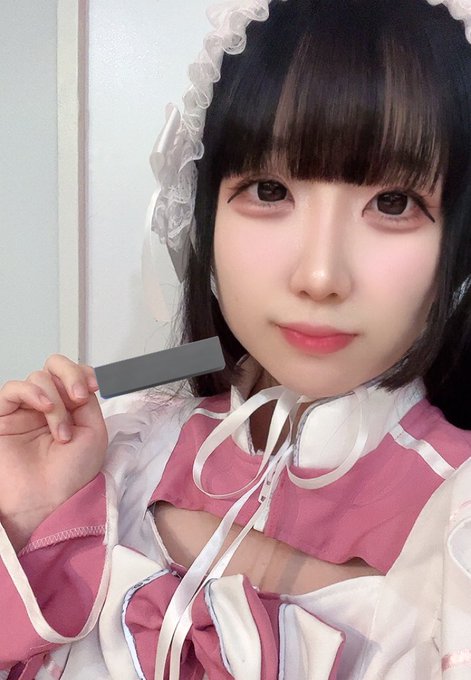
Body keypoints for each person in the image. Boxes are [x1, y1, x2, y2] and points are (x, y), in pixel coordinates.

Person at [2, 0, 471, 677]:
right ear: (201, 216)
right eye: (270, 190)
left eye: (392, 203)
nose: (319, 276)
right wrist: (34, 521)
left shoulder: (455, 515)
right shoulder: (123, 444)